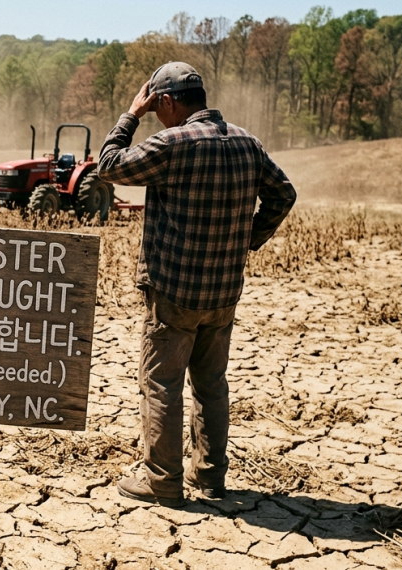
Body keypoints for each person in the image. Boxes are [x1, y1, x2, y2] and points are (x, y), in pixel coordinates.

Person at [96, 62, 297, 507]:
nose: (156, 114)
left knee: (161, 383)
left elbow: (108, 167)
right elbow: (285, 194)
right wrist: (247, 240)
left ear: (166, 102)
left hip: (174, 292)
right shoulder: (248, 142)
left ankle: (162, 481)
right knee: (211, 385)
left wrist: (131, 114)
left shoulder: (171, 143)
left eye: (156, 106)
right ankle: (208, 478)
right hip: (223, 293)